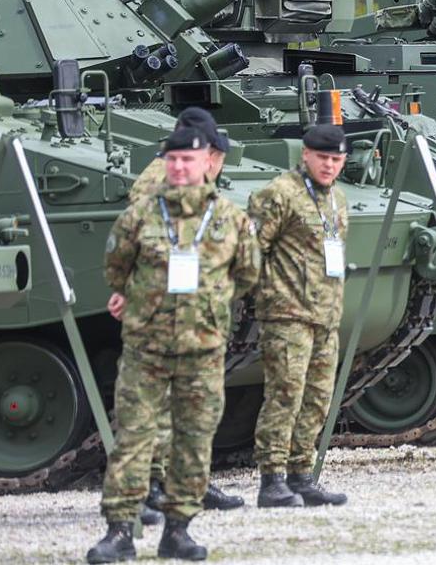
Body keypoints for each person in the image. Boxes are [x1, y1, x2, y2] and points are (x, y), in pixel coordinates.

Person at [87, 127, 259, 564]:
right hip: (146, 347)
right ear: (167, 162)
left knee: (194, 440)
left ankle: (178, 530)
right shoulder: (140, 215)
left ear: (209, 162)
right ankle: (120, 530)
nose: (181, 167)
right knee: (134, 438)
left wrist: (208, 304)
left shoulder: (230, 219)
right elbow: (115, 267)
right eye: (174, 160)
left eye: (190, 159)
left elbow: (247, 274)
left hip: (202, 348)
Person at [132, 111, 246, 520]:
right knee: (159, 406)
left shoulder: (195, 179)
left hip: (197, 308)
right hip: (164, 309)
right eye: (216, 153)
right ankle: (150, 487)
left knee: (195, 404)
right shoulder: (160, 177)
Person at [249, 124, 353, 506]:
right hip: (287, 314)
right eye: (323, 157)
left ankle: (301, 474)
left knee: (317, 398)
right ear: (305, 154)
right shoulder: (279, 195)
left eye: (336, 159)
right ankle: (272, 479)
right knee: (284, 396)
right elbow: (250, 251)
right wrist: (266, 293)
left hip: (326, 315)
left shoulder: (337, 199)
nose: (329, 165)